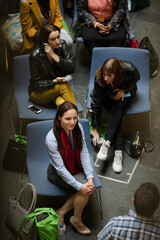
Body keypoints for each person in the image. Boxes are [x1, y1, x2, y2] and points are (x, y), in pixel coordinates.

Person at [45, 101, 95, 235]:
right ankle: (75, 219)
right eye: (67, 118)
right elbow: (60, 169)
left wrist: (90, 177)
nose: (72, 122)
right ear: (59, 118)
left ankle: (62, 213)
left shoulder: (77, 128)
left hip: (75, 167)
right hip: (57, 172)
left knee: (87, 188)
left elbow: (84, 153)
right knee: (84, 191)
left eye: (75, 117)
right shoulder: (51, 138)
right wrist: (80, 186)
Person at [91, 58, 140, 173]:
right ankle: (117, 150)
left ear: (116, 74)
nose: (106, 78)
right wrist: (94, 127)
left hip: (126, 91)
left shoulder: (129, 68)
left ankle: (107, 144)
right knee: (116, 111)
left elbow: (137, 79)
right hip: (108, 93)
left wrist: (124, 89)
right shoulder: (99, 79)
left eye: (109, 75)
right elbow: (96, 102)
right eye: (104, 74)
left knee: (118, 106)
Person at [28, 23, 76, 108]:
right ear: (45, 41)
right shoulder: (35, 55)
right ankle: (76, 119)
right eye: (53, 39)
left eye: (58, 37)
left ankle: (71, 119)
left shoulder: (62, 45)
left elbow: (71, 68)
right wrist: (54, 81)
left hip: (56, 89)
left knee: (61, 104)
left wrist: (53, 55)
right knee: (64, 86)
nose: (57, 41)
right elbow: (37, 84)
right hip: (39, 93)